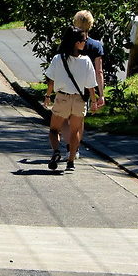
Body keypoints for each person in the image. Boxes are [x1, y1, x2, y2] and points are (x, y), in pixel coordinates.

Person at [43, 27, 100, 171]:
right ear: (76, 43)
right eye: (83, 40)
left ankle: (56, 151)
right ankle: (71, 161)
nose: (85, 42)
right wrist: (93, 101)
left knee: (54, 129)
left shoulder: (58, 58)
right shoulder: (86, 61)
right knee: (75, 131)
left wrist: (48, 96)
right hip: (79, 100)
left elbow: (51, 80)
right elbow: (90, 86)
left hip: (62, 98)